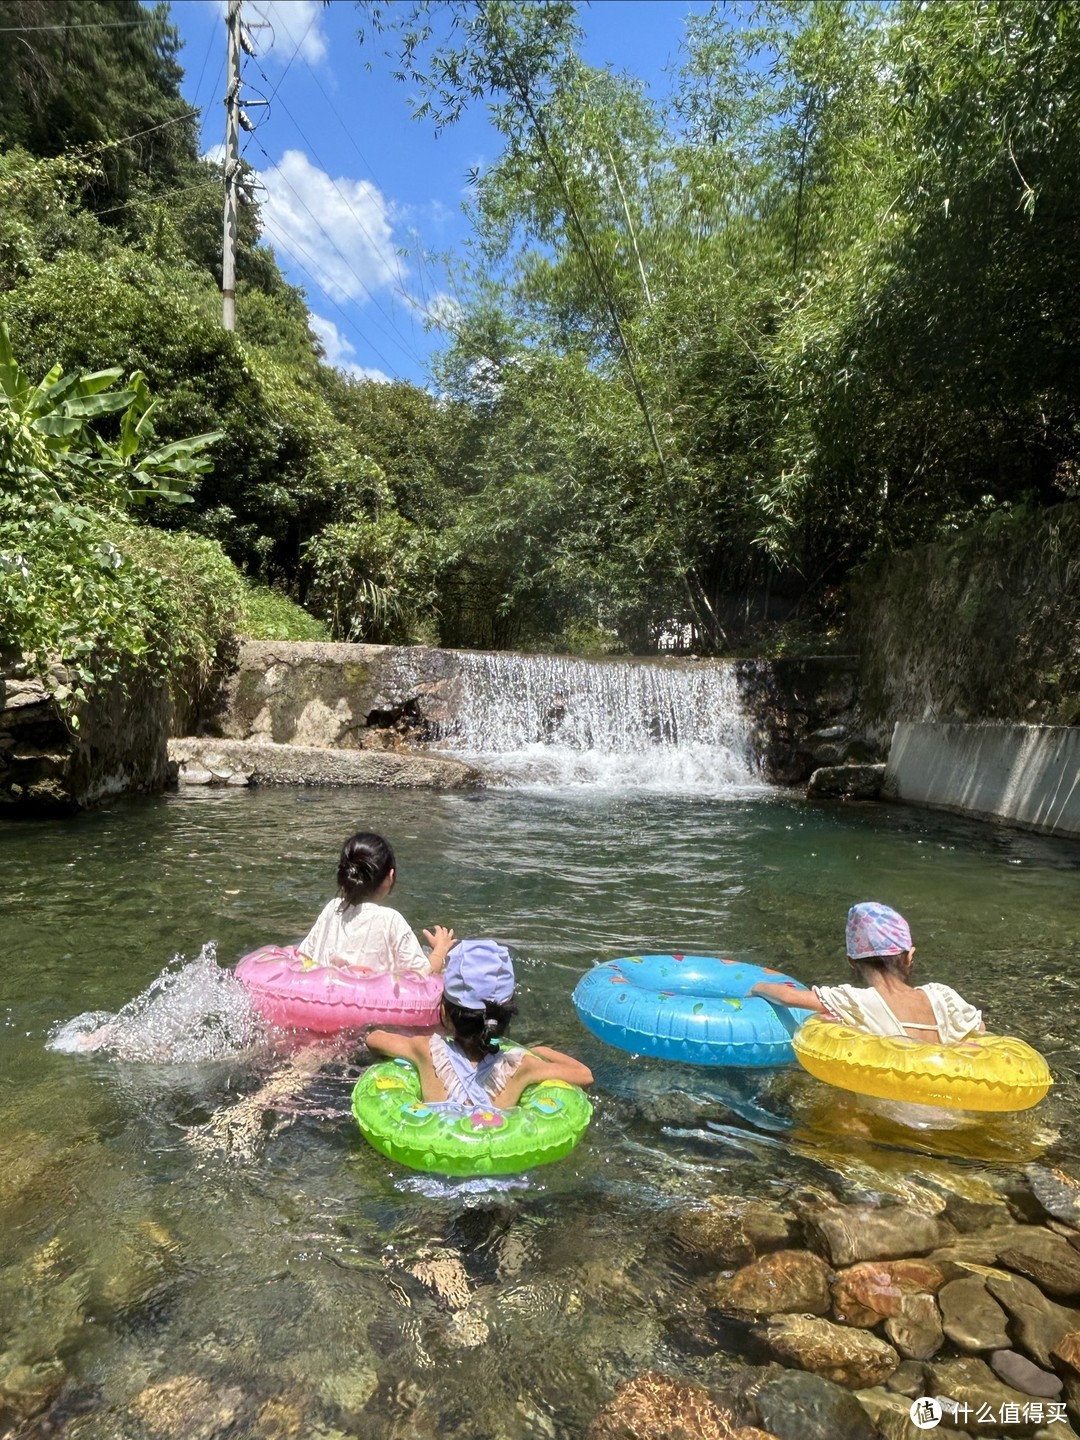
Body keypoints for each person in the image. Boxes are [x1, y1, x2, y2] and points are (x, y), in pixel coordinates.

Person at [366, 938, 593, 1108]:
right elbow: (584, 1075)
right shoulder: (522, 1066)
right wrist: (543, 1050)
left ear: (444, 1013)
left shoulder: (425, 1049)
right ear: (506, 1016)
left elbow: (374, 1039)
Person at [747, 901, 985, 1043]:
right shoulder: (943, 996)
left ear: (851, 961)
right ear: (909, 956)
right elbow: (980, 1032)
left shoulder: (856, 1001)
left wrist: (757, 987)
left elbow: (788, 997)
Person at [298, 831, 454, 976]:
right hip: (373, 1003)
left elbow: (305, 956)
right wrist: (440, 950)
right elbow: (421, 975)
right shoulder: (391, 920)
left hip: (326, 999)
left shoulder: (332, 909)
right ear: (390, 876)